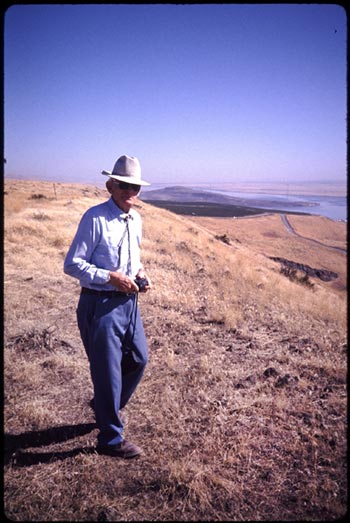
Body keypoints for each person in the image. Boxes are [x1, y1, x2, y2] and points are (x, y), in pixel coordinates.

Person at [64, 154, 151, 459]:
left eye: (135, 187)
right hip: (99, 304)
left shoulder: (136, 219)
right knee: (108, 373)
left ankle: (106, 406)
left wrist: (140, 274)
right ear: (110, 185)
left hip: (129, 303)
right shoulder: (95, 218)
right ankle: (110, 439)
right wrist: (109, 278)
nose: (130, 192)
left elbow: (134, 259)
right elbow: (72, 265)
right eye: (124, 185)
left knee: (139, 359)